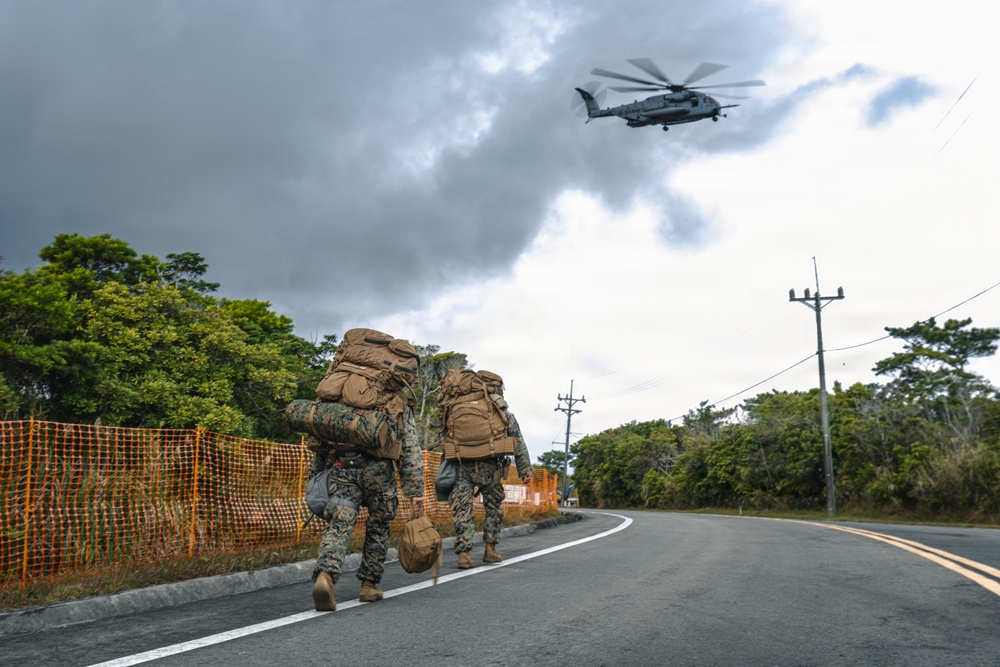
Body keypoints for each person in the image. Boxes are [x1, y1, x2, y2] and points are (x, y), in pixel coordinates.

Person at [310, 406, 424, 611]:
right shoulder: (396, 400)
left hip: (344, 464)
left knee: (340, 523)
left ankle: (325, 575)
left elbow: (320, 431)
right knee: (378, 525)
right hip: (379, 470)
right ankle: (368, 585)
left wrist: (317, 472)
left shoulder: (340, 393)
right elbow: (411, 447)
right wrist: (414, 489)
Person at [449, 391, 533, 569]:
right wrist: (525, 470)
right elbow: (518, 441)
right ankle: (490, 550)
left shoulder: (458, 409)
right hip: (490, 468)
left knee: (463, 510)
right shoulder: (501, 414)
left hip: (463, 466)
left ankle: (464, 554)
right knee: (494, 507)